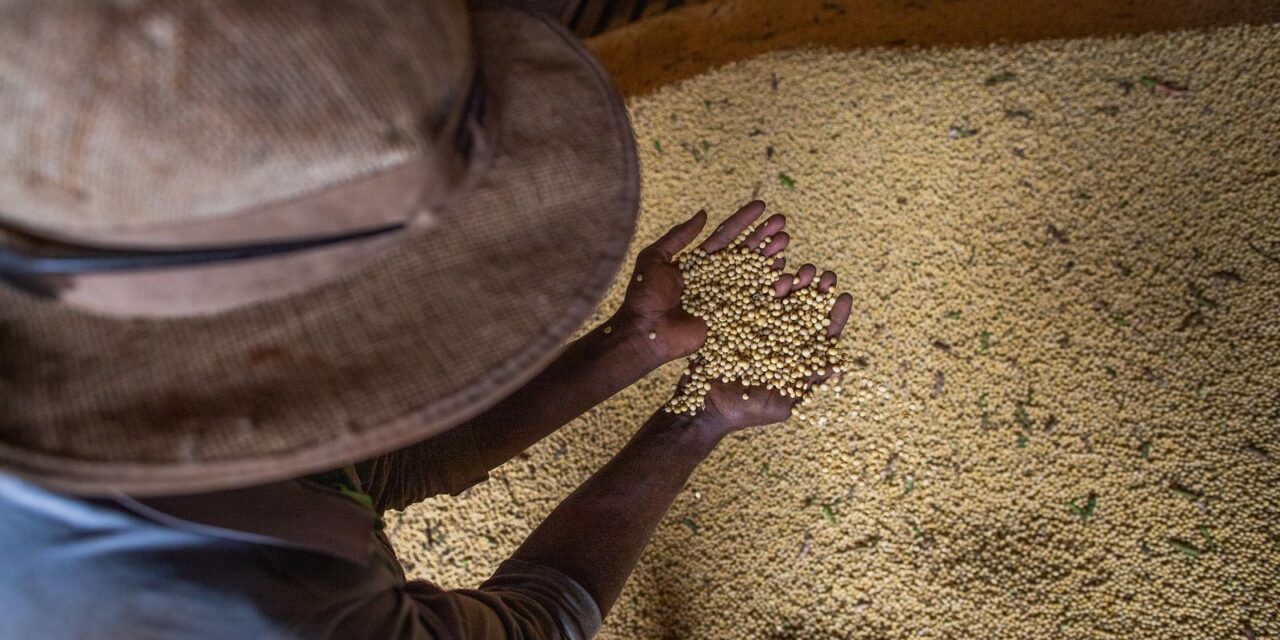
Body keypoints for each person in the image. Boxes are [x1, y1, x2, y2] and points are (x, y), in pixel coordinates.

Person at [0, 1, 851, 637]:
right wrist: (694, 426)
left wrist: (631, 347)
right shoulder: (254, 604)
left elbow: (359, 468)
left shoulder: (56, 136)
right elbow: (539, 622)